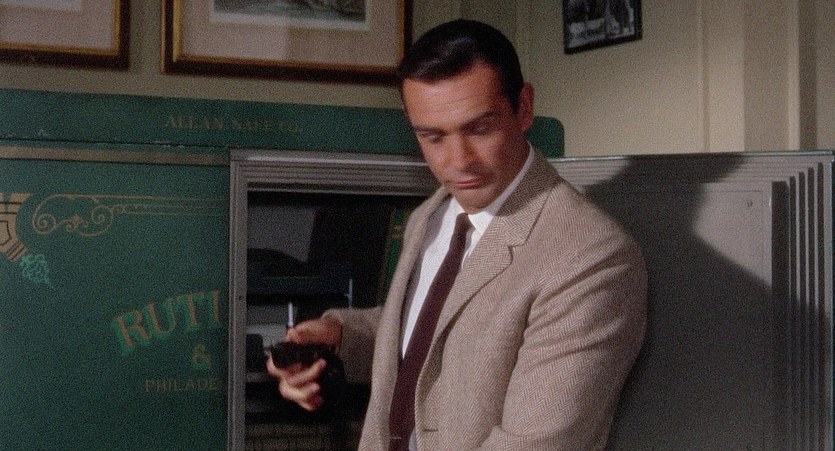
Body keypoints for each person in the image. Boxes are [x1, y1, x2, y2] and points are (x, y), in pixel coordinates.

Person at [267, 19, 647, 450]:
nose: (458, 161)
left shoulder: (590, 257)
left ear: (524, 108)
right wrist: (337, 336)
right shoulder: (432, 216)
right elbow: (442, 333)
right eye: (433, 137)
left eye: (479, 129)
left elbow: (538, 443)